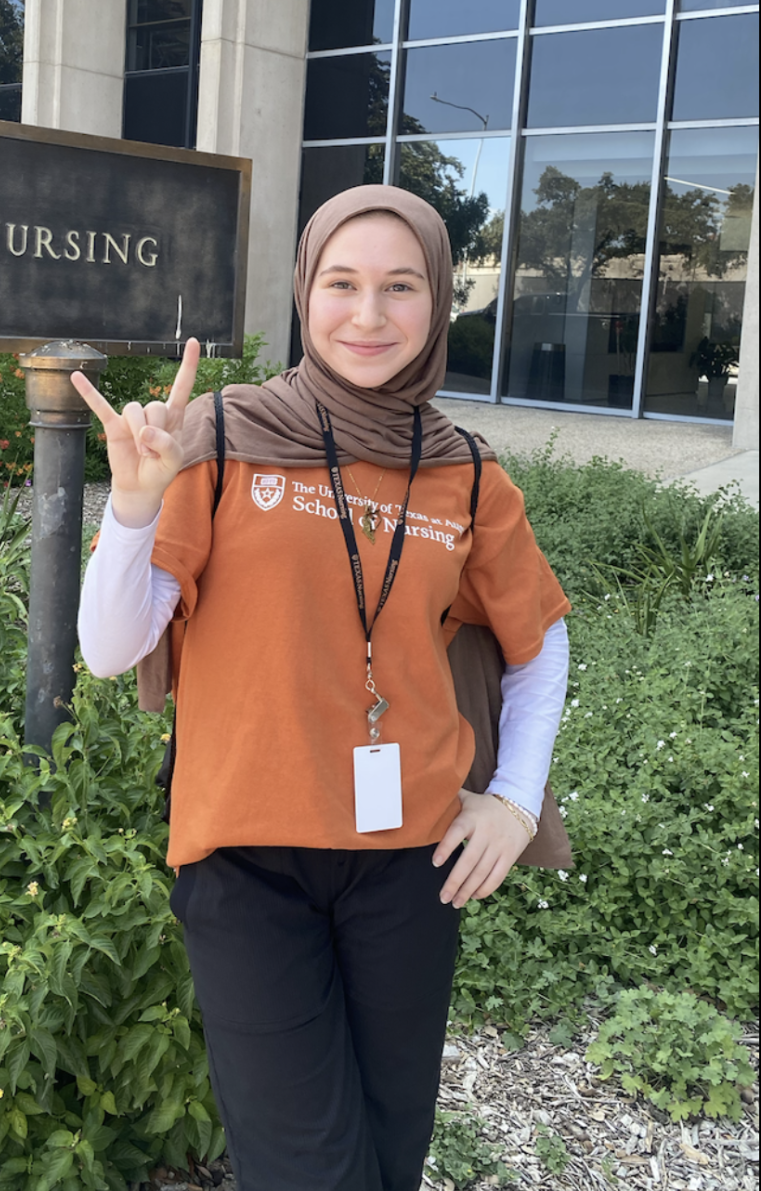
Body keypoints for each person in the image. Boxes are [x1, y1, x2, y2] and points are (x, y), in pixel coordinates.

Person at [73, 186, 570, 1191]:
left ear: (439, 303)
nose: (369, 315)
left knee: (390, 1154)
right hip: (246, 863)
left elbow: (538, 641)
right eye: (342, 284)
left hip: (408, 865)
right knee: (307, 1167)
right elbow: (109, 649)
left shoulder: (466, 475)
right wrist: (133, 505)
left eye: (401, 287)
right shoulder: (218, 438)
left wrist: (514, 804)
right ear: (306, 294)